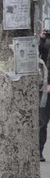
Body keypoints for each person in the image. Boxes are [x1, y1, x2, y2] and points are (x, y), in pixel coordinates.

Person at [39, 29, 50, 162]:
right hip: (44, 88)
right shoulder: (45, 40)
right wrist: (42, 39)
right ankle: (38, 150)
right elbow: (39, 54)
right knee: (42, 121)